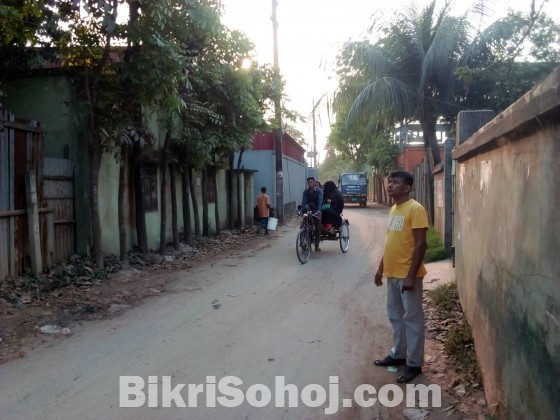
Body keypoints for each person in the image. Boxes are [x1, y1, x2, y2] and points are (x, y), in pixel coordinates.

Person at [373, 170, 428, 383]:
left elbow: (421, 244)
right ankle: (398, 354)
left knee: (412, 320)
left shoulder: (415, 209)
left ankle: (414, 364)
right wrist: (380, 269)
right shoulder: (394, 209)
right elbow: (391, 242)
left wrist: (411, 276)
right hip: (392, 274)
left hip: (407, 275)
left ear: (407, 187)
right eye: (389, 182)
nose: (390, 185)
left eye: (395, 182)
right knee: (396, 317)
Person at [301, 176, 323, 251]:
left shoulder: (319, 191)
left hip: (316, 211)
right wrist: (302, 209)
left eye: (311, 182)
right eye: (308, 183)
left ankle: (317, 245)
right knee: (306, 225)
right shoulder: (305, 192)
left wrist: (319, 210)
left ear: (314, 183)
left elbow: (320, 202)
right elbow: (303, 202)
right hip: (308, 210)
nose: (309, 184)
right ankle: (306, 241)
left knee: (317, 227)